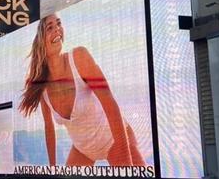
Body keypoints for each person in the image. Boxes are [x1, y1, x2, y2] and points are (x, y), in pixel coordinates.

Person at [19, 14, 146, 167]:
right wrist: (52, 170)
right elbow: (49, 127)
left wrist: (126, 165)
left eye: (59, 24)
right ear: (41, 41)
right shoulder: (41, 85)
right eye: (50, 28)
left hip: (114, 139)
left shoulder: (79, 58)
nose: (57, 29)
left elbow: (110, 104)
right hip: (83, 149)